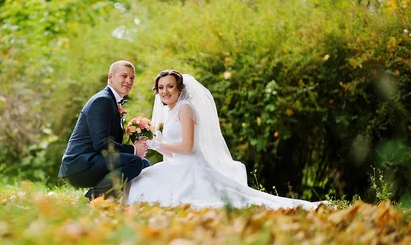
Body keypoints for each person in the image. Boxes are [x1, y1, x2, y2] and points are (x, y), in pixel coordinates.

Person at [126, 69, 322, 210]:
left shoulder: (185, 108)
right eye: (161, 87)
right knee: (140, 180)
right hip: (176, 165)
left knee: (144, 184)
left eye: (170, 86)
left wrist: (156, 144)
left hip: (190, 167)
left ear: (179, 88)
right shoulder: (170, 113)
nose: (165, 91)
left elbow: (187, 147)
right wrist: (150, 145)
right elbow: (170, 151)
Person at [59, 61, 150, 200]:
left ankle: (124, 200)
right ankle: (92, 199)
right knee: (135, 162)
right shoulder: (102, 100)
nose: (128, 81)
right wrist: (133, 150)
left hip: (94, 161)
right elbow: (101, 144)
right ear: (111, 77)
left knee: (144, 164)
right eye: (124, 76)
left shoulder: (112, 101)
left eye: (132, 78)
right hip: (80, 165)